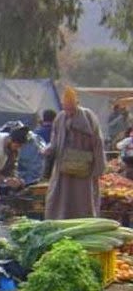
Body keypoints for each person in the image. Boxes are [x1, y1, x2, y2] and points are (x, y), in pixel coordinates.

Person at [44, 87, 106, 220]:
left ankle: (85, 221)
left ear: (77, 104)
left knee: (83, 198)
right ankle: (60, 219)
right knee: (60, 196)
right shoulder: (60, 118)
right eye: (66, 108)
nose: (69, 111)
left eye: (71, 108)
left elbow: (98, 142)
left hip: (83, 168)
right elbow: (54, 140)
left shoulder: (88, 116)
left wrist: (99, 168)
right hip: (63, 167)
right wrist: (49, 149)